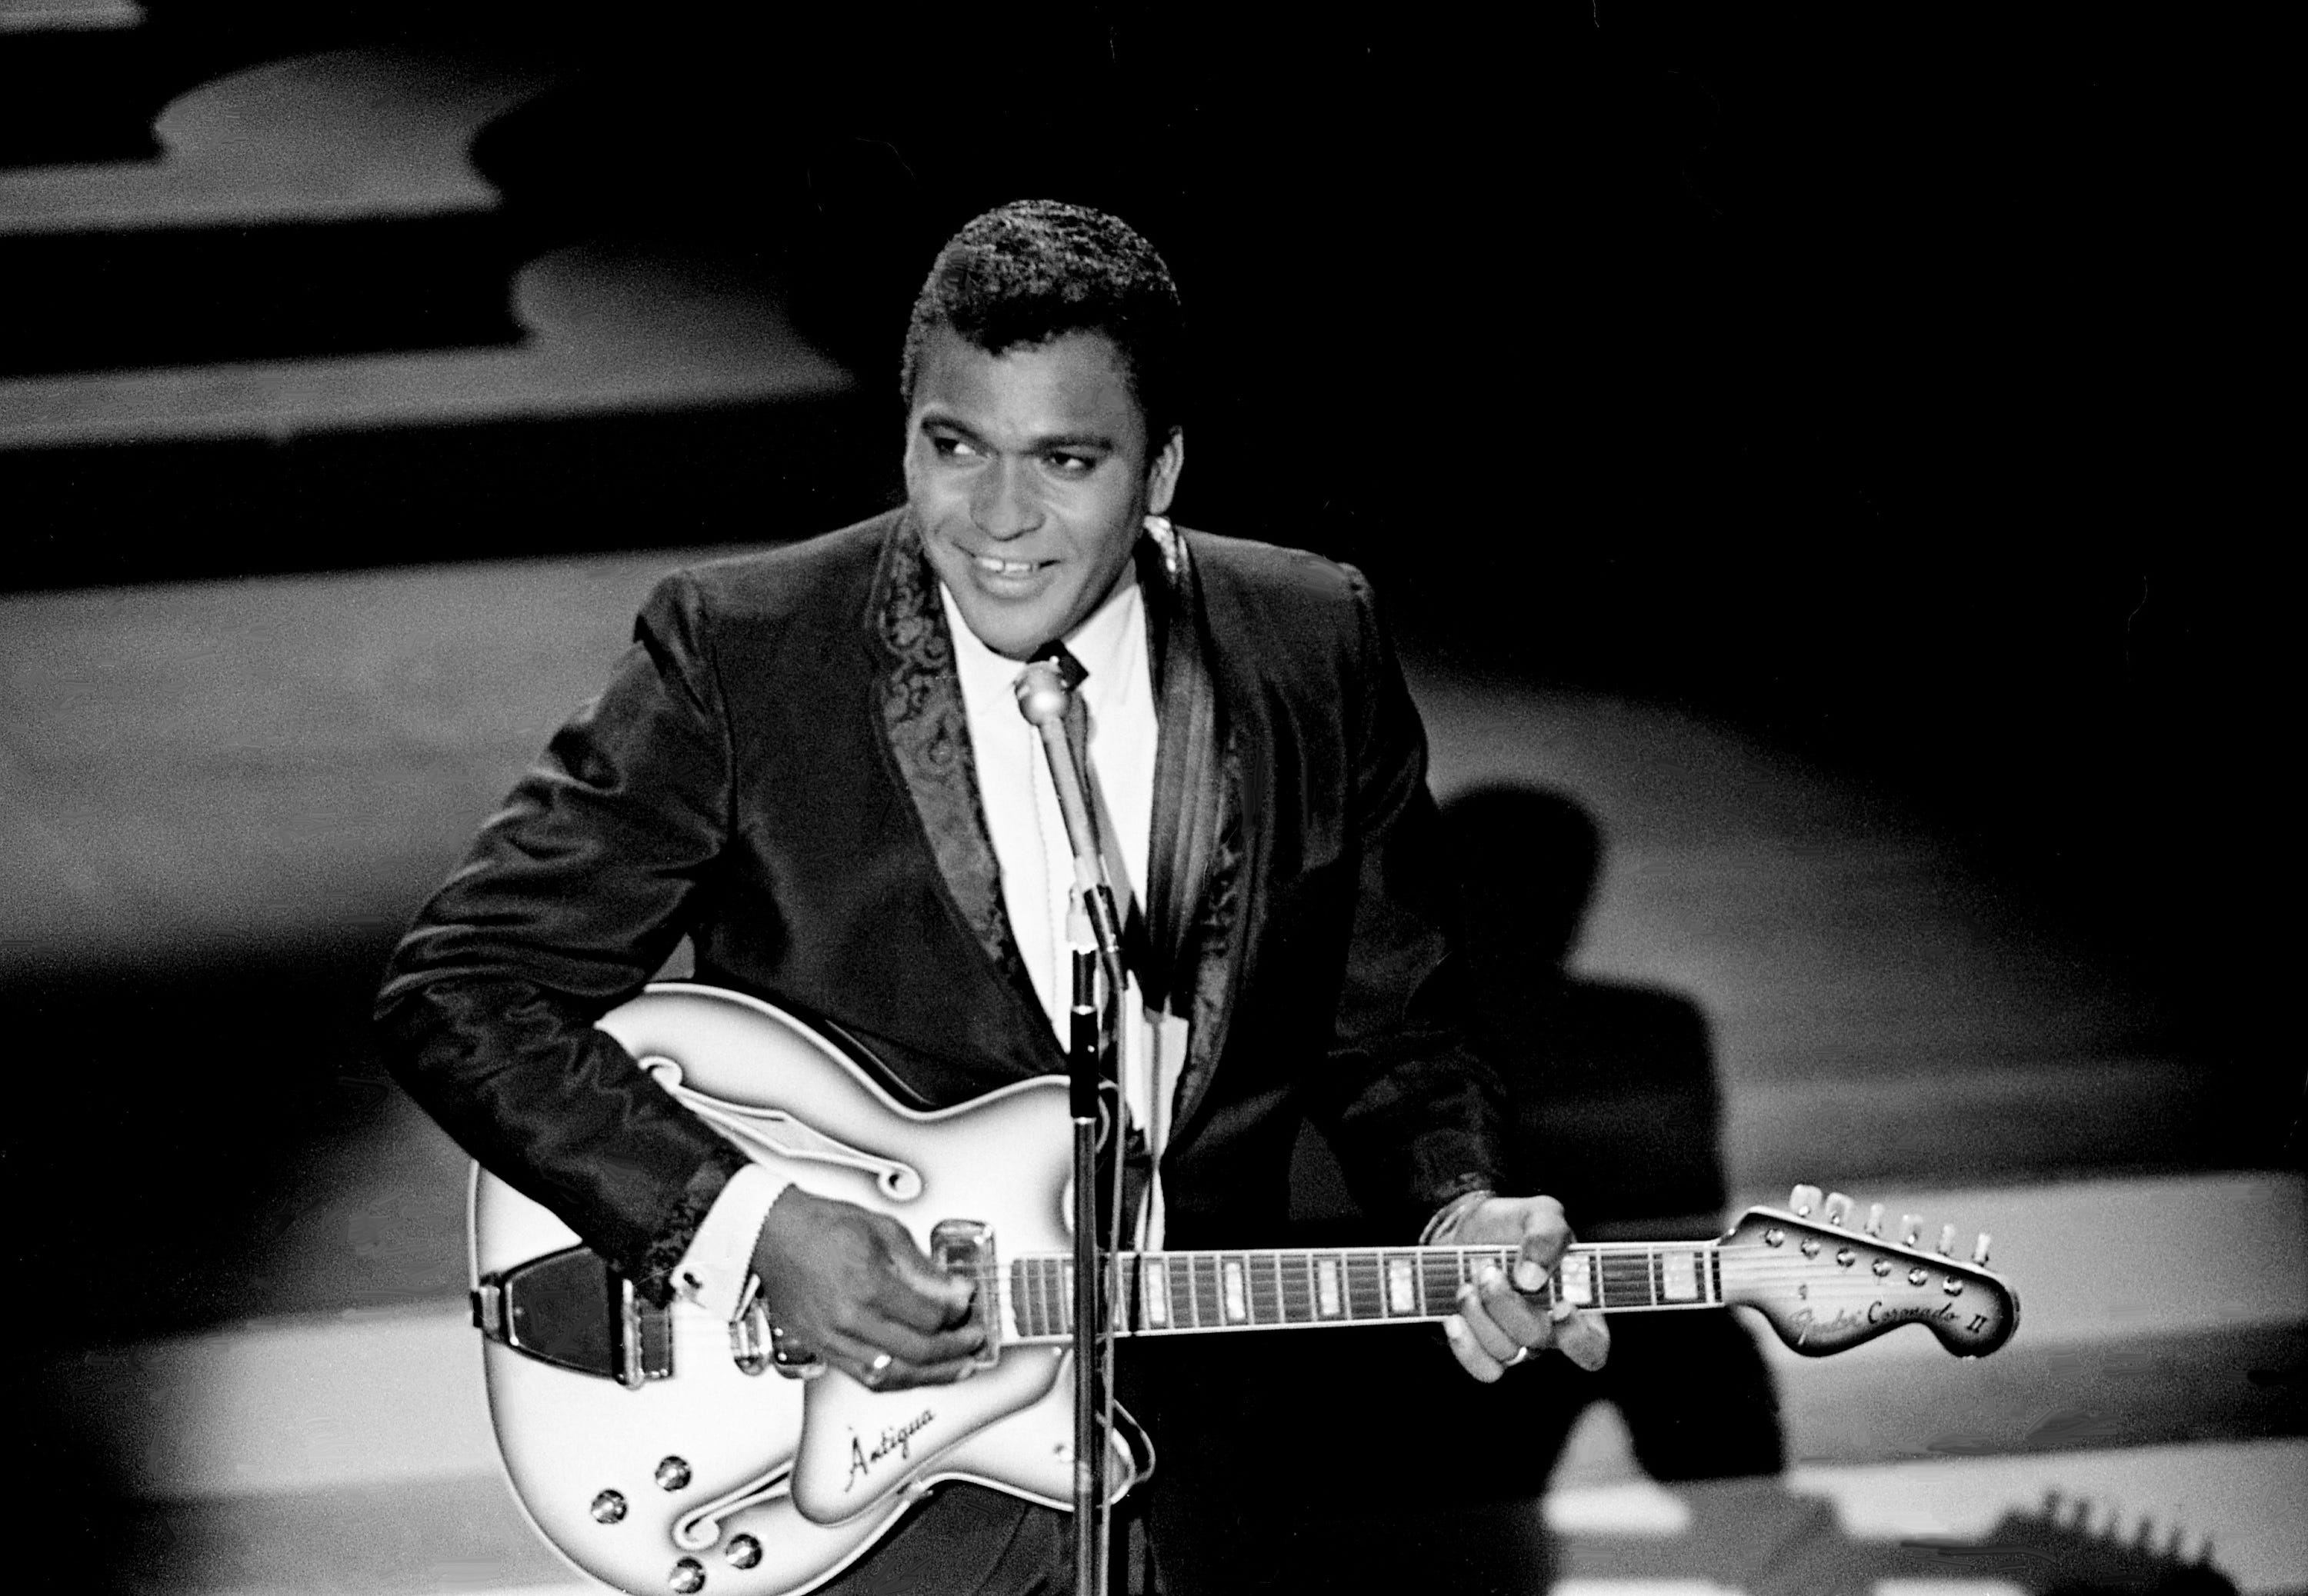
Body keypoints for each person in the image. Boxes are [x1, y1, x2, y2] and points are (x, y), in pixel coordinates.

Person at [375, 199, 1605, 1594]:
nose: (998, 520)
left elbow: (1393, 1036)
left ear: (1161, 472)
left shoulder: (1311, 641)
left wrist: (1461, 1207)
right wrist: (753, 1225)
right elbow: (461, 987)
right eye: (953, 449)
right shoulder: (749, 652)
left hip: (1202, 1485)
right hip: (855, 1503)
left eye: (1067, 462)